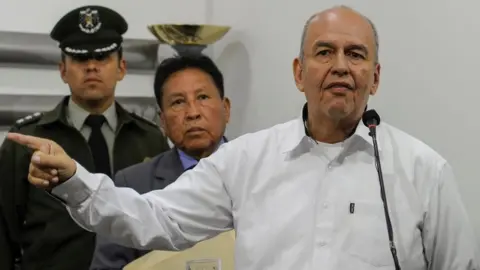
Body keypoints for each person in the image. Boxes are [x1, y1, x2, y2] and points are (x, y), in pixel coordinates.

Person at [6, 5, 480, 270]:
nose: (340, 65)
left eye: (356, 54)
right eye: (324, 52)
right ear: (299, 72)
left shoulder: (423, 170)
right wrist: (75, 180)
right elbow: (154, 218)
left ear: (374, 77)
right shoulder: (249, 159)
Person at [0, 5, 170, 270]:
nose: (91, 66)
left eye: (102, 57)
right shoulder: (27, 140)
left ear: (122, 67)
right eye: (80, 59)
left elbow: (164, 220)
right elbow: (3, 233)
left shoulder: (149, 139)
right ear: (63, 70)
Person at [89, 54, 231, 270]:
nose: (192, 113)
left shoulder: (258, 172)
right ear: (162, 121)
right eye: (178, 102)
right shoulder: (133, 184)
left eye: (202, 97)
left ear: (226, 109)